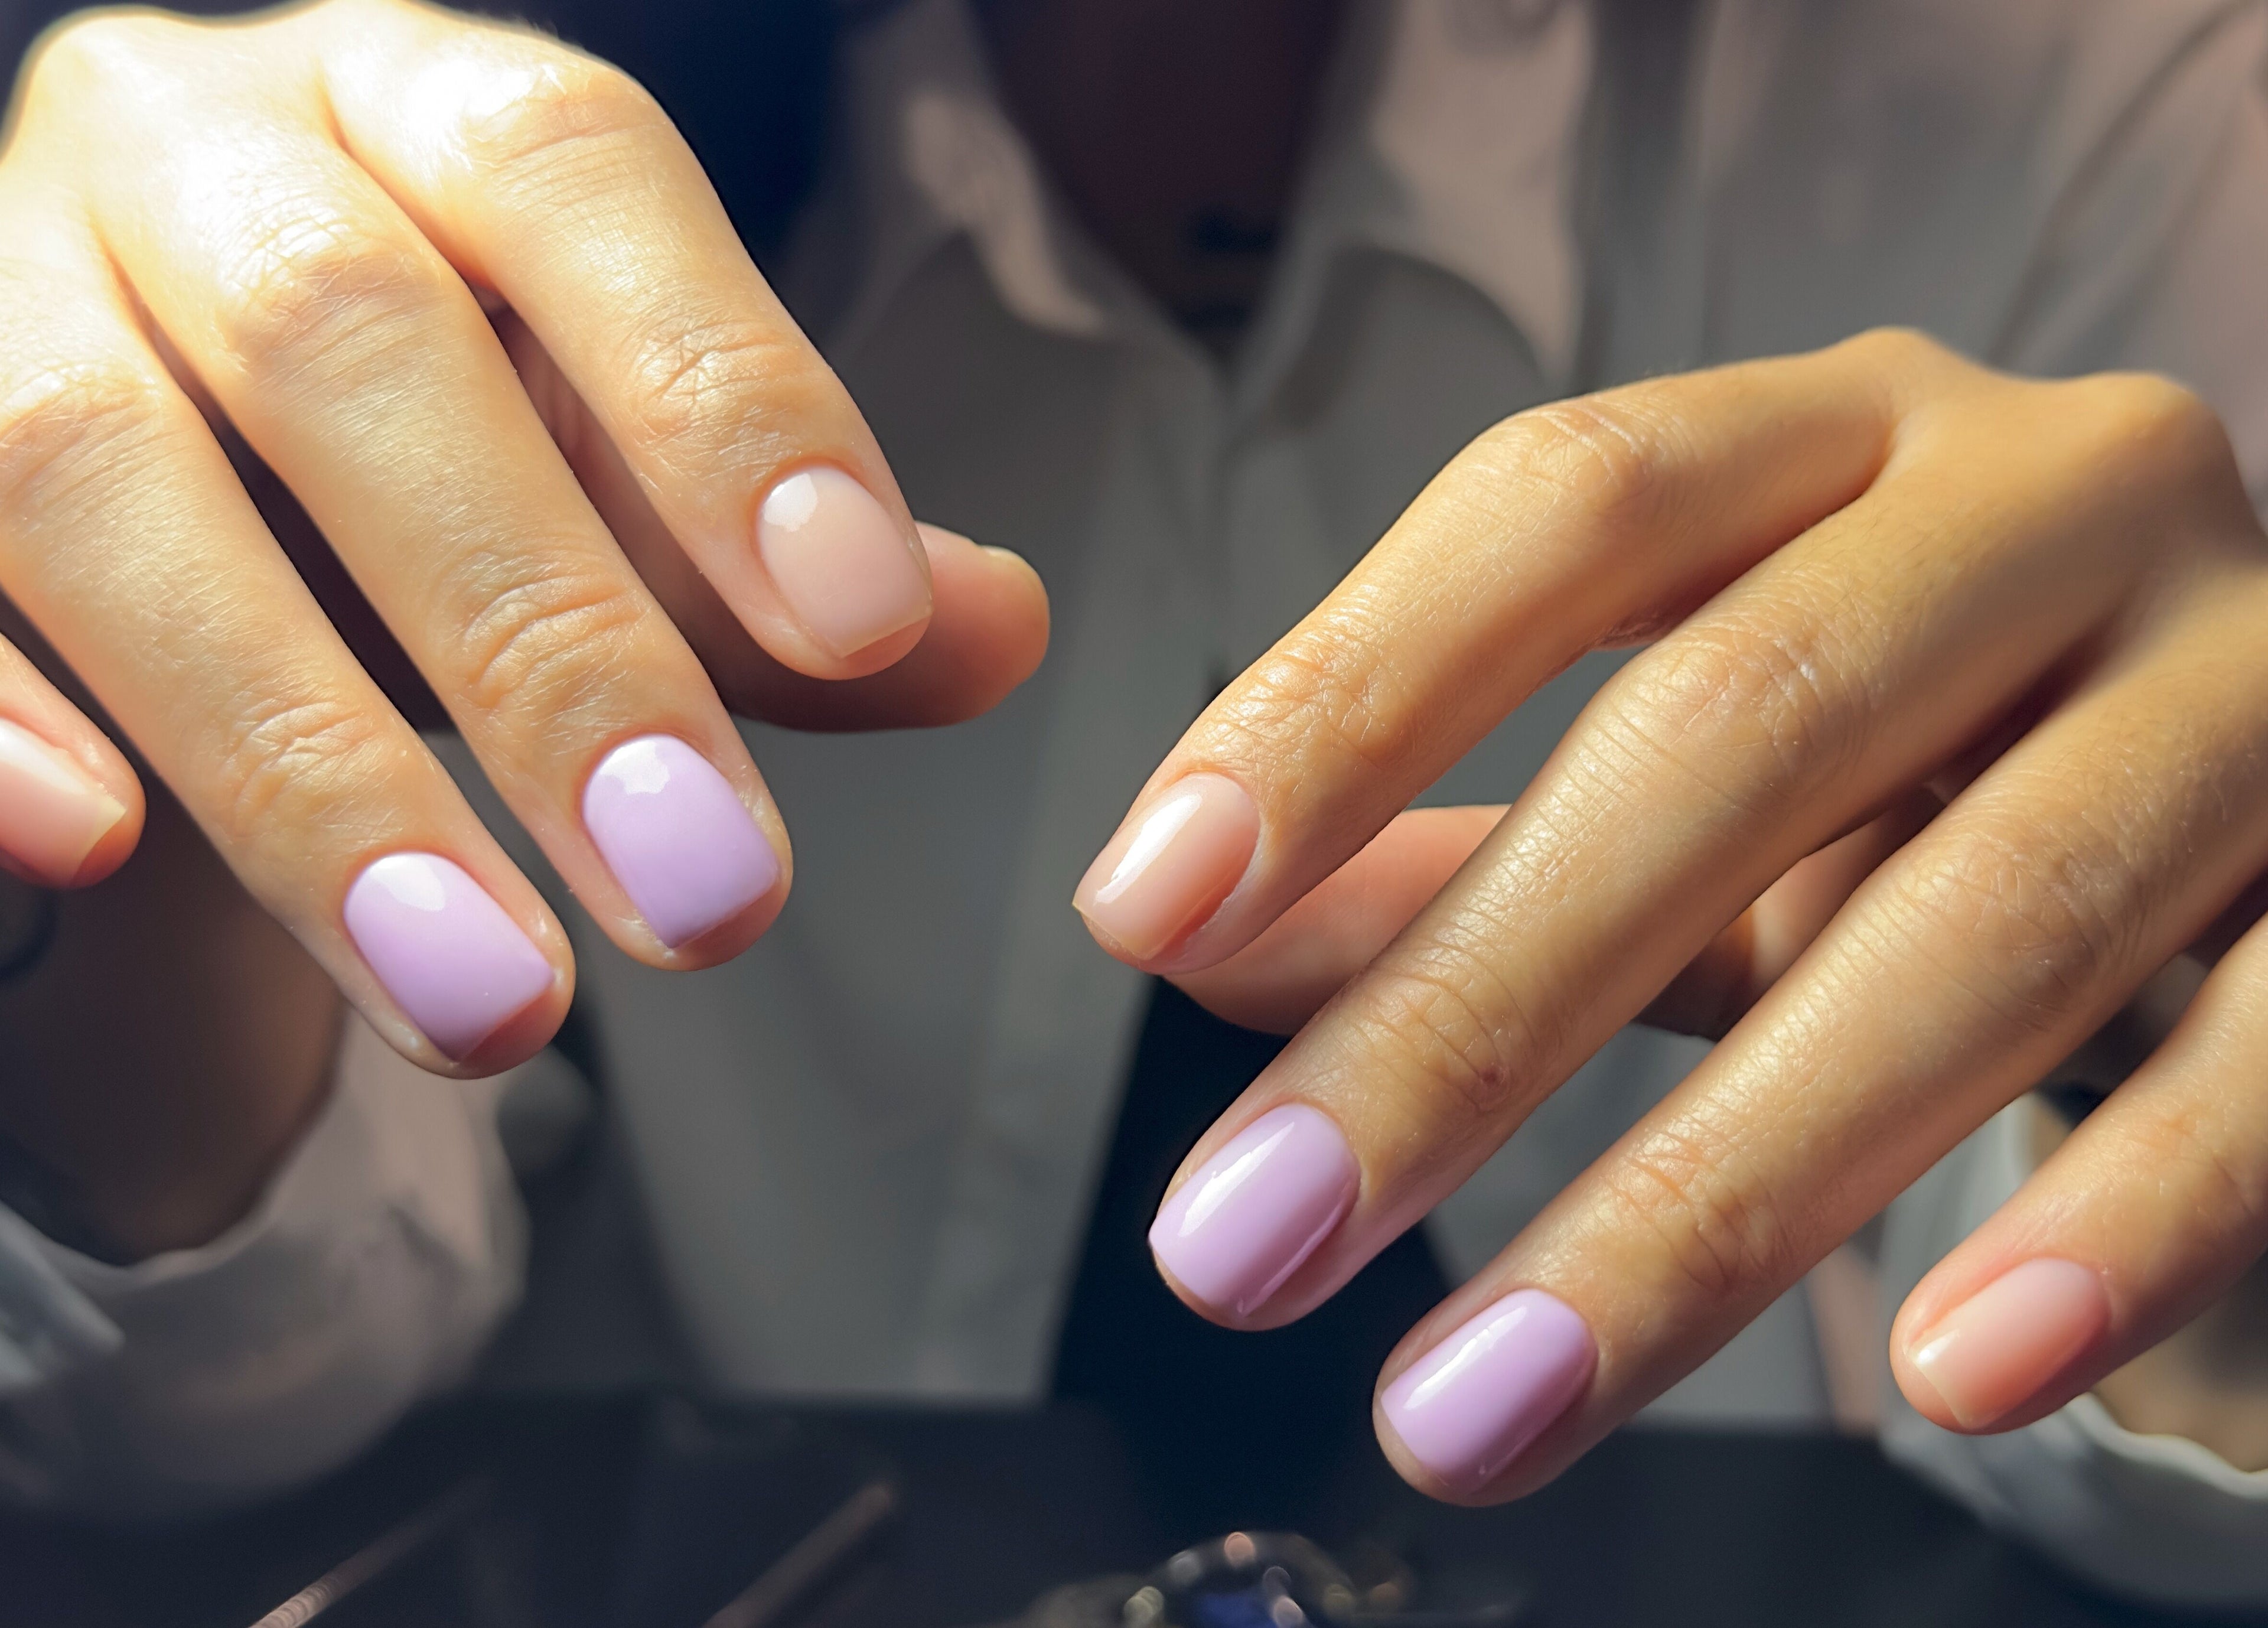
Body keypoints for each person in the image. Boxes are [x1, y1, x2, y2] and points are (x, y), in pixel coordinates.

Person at [1, 0, 2267, 1603]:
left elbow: (2124, 1473)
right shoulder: (415, 161)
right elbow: (220, 1408)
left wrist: (2191, 1119)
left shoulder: (2095, 101)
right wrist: (133, 789)